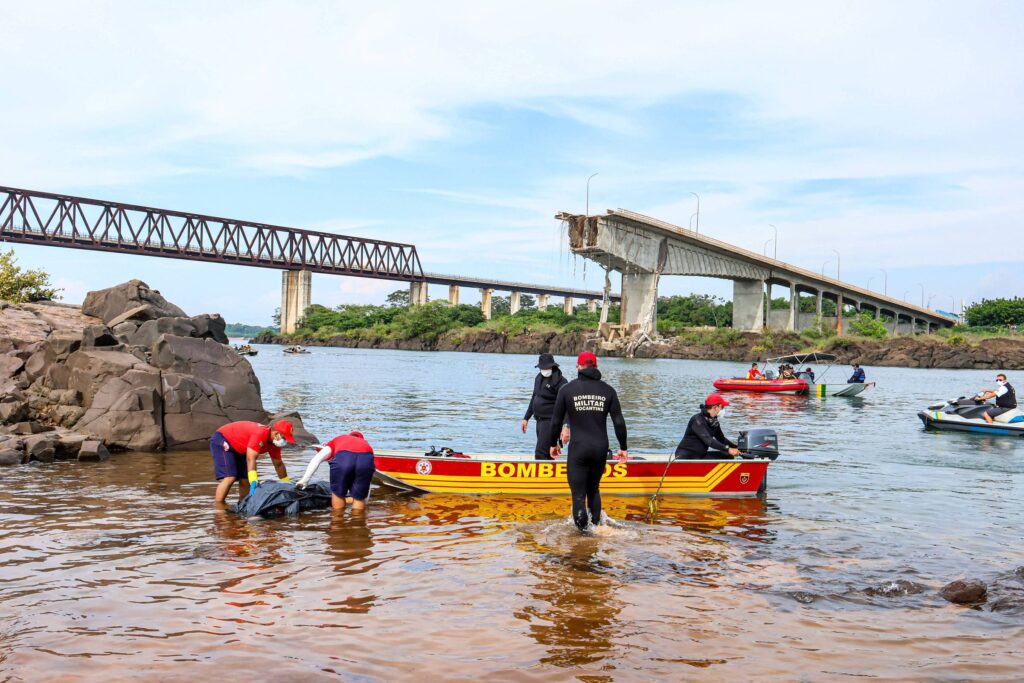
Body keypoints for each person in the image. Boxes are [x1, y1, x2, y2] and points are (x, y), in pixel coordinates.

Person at [547, 352, 627, 533]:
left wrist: (553, 444)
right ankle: (597, 529)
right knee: (594, 490)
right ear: (596, 367)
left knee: (578, 496)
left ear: (578, 367)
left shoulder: (567, 390)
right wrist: (623, 448)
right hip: (600, 448)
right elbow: (619, 422)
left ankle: (583, 536)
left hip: (579, 449)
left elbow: (556, 421)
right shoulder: (608, 390)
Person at [211, 419, 295, 504]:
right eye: (284, 438)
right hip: (224, 439)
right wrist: (254, 481)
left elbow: (278, 464)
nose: (285, 441)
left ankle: (243, 503)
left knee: (245, 479)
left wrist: (286, 482)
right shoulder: (260, 434)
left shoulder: (275, 444)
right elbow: (251, 459)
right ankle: (219, 508)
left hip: (242, 447)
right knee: (230, 477)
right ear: (276, 433)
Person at [296, 431, 376, 511]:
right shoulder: (366, 444)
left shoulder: (339, 439)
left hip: (344, 459)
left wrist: (305, 480)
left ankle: (338, 520)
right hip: (365, 459)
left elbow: (317, 458)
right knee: (359, 498)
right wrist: (363, 496)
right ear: (361, 439)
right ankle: (357, 520)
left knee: (338, 494)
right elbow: (369, 476)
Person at [521, 353, 570, 460]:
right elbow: (534, 397)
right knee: (547, 451)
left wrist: (565, 426)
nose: (544, 370)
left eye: (547, 367)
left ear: (553, 366)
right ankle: (550, 474)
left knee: (540, 452)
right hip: (539, 420)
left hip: (551, 421)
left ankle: (539, 475)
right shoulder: (538, 378)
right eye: (542, 368)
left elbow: (566, 406)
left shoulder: (561, 382)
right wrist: (526, 418)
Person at [675, 394, 742, 460]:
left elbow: (721, 439)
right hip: (686, 456)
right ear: (715, 407)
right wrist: (728, 449)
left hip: (700, 455)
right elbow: (709, 441)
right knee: (727, 451)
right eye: (722, 407)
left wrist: (737, 447)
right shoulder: (697, 420)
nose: (723, 410)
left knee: (728, 456)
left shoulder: (714, 421)